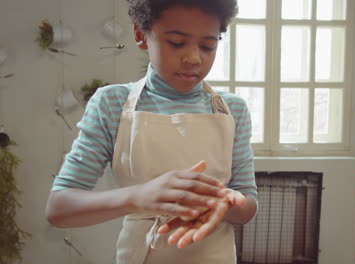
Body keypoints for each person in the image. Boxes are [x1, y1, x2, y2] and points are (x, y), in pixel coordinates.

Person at [45, 0, 258, 263]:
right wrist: (137, 197)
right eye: (177, 42)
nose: (193, 58)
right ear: (140, 35)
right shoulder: (111, 104)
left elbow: (248, 205)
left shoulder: (231, 110)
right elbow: (60, 208)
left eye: (208, 45)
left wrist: (224, 203)